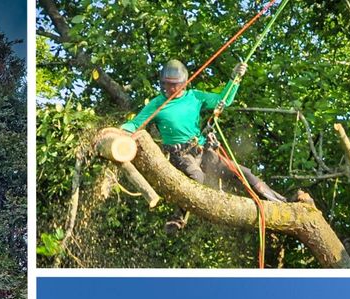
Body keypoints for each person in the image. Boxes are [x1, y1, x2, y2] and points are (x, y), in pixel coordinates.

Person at [120, 59, 288, 232]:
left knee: (241, 172)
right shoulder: (157, 104)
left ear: (184, 83)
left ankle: (279, 201)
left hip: (202, 150)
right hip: (180, 155)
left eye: (174, 85)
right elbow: (135, 124)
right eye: (167, 84)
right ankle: (178, 217)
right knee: (196, 177)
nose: (170, 89)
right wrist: (121, 132)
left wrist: (235, 79)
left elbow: (223, 100)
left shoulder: (194, 97)